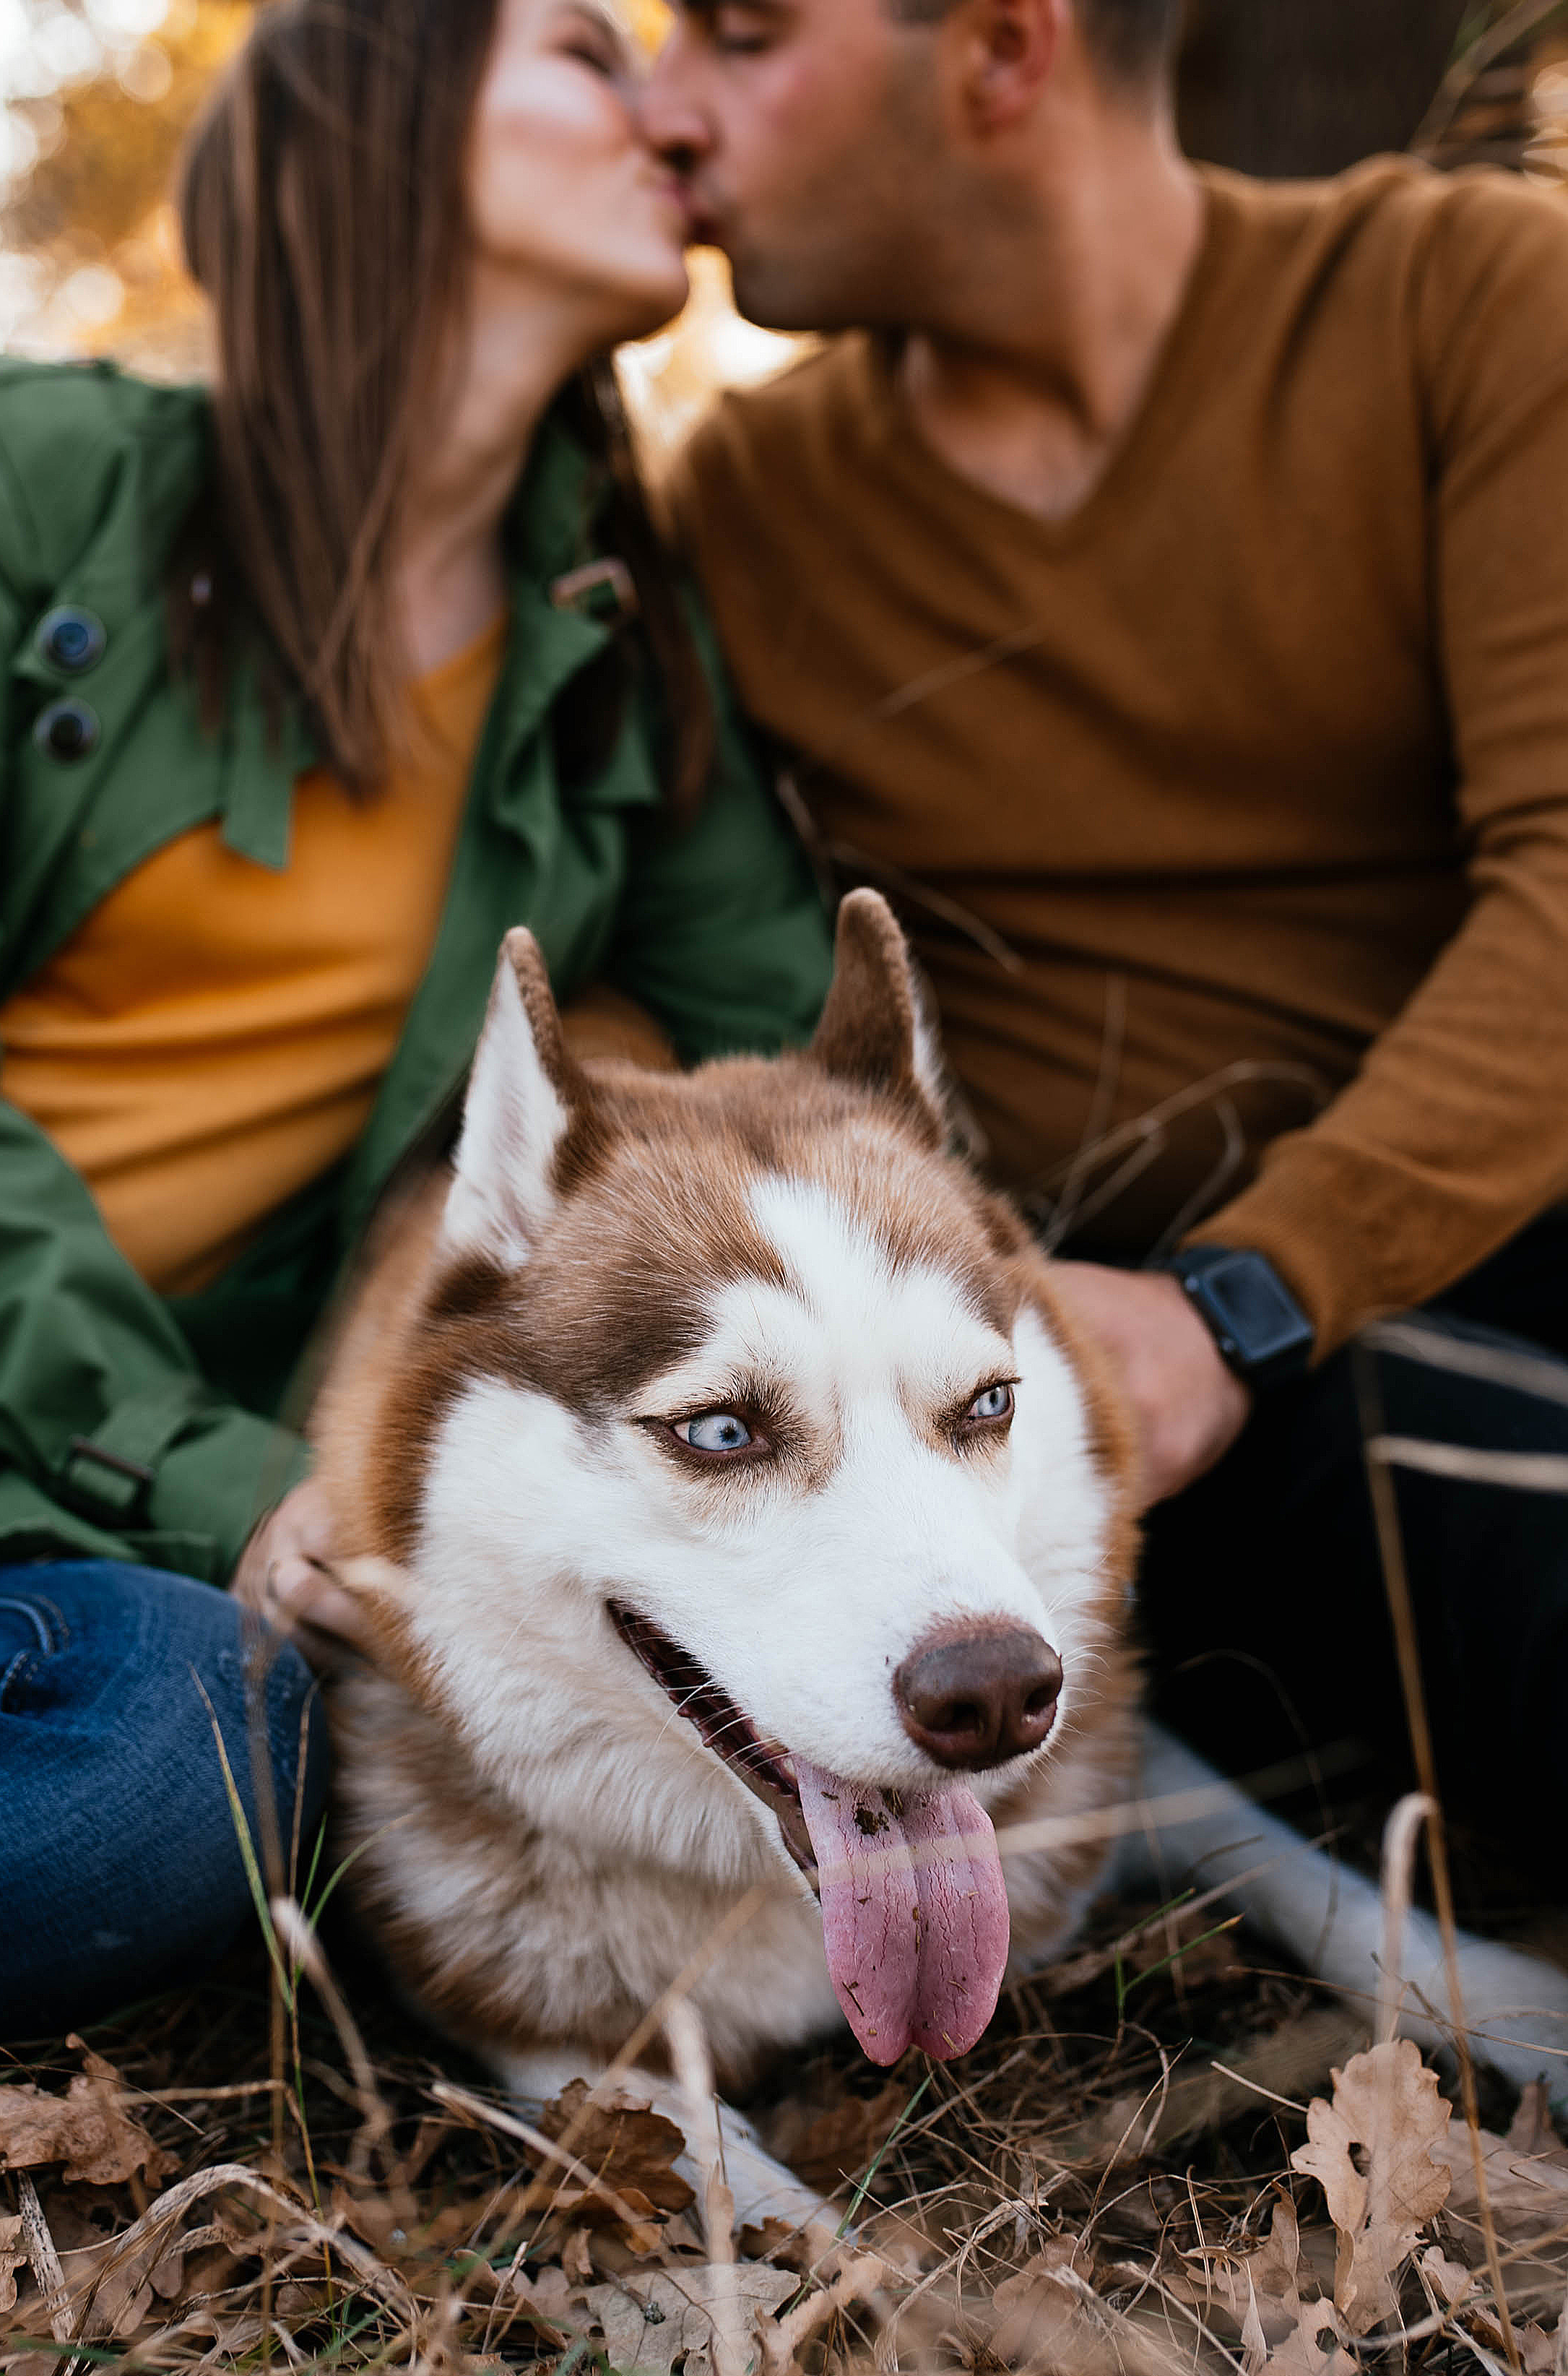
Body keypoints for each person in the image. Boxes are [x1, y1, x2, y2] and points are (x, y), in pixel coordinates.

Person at [0, 0, 832, 2053]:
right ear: (371, 127)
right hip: (4, 1423)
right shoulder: (18, 476)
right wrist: (223, 1485)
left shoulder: (608, 658)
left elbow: (807, 1089)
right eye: (587, 49)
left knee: (196, 1755)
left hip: (36, 1526)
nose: (666, 106)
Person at [646, 0, 1568, 1864]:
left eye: (741, 38)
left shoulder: (1463, 301)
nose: (669, 111)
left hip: (1390, 1260)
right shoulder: (741, 513)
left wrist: (1248, 1296)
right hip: (1192, 1399)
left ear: (998, 54)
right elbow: (633, 961)